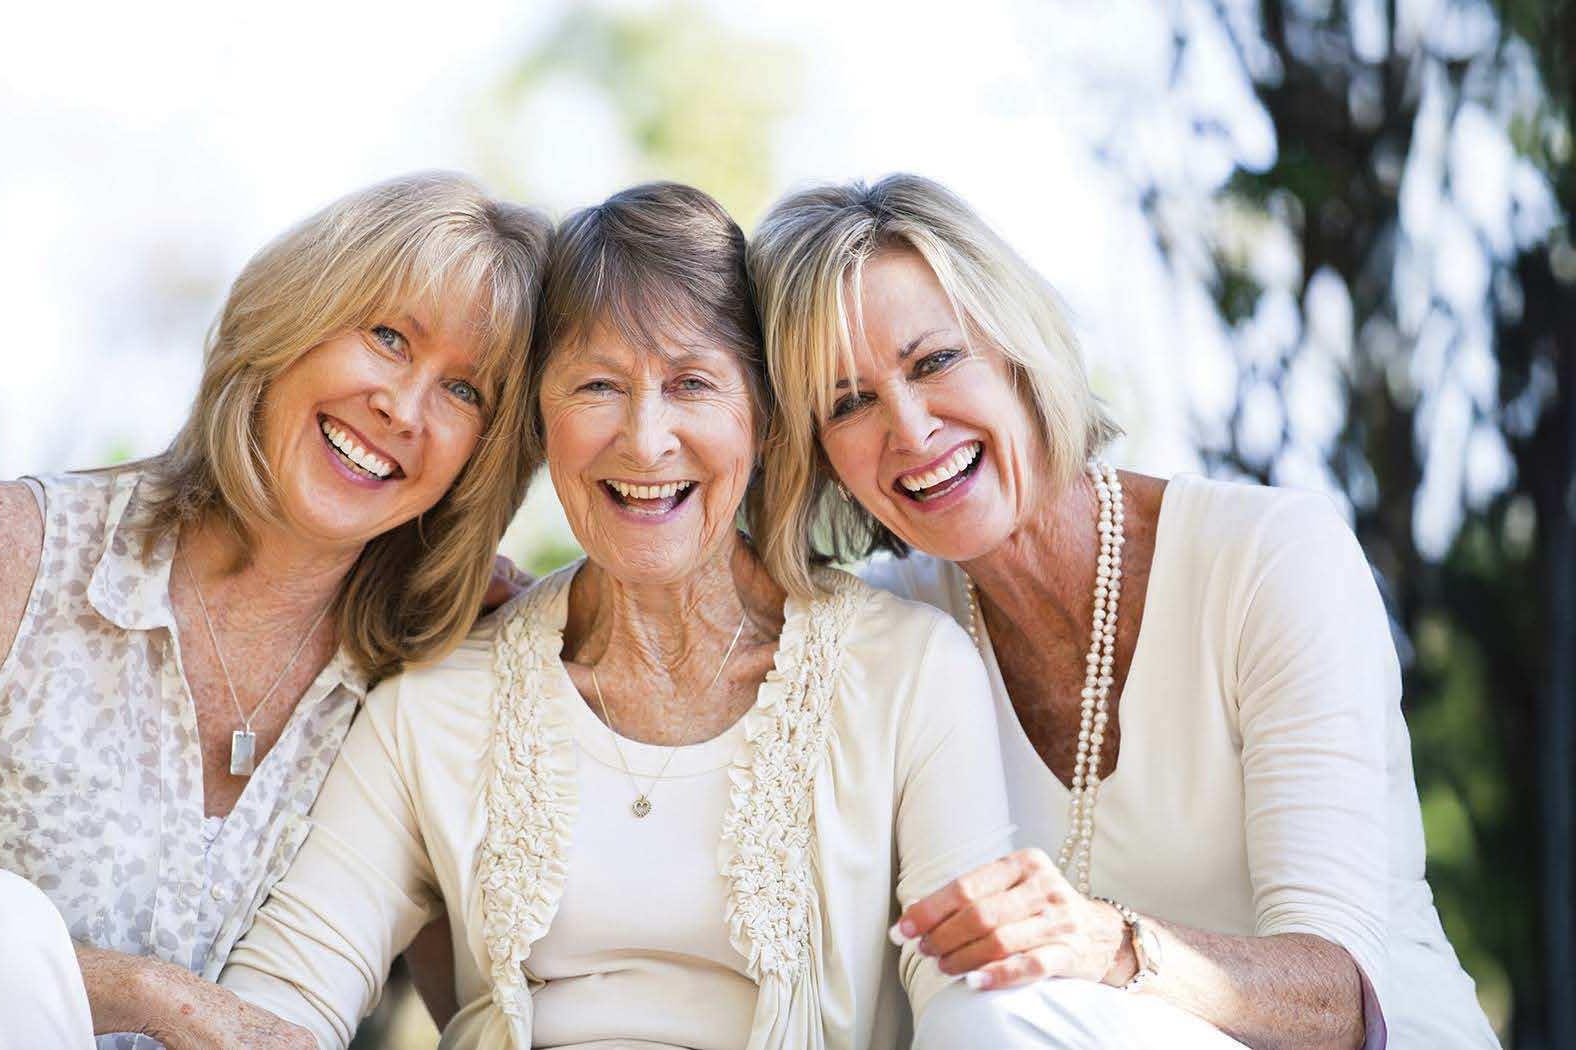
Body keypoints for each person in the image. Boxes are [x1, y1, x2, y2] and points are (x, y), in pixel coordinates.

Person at [217, 181, 1148, 1049]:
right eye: (597, 386)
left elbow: (972, 999)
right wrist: (139, 988)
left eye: (693, 383)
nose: (646, 438)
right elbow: (287, 993)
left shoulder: (906, 670)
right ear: (539, 423)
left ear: (764, 419)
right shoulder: (434, 703)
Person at [0, 171, 550, 1050]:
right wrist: (151, 997)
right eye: (388, 338)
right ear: (293, 318)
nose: (403, 408)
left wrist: (555, 655)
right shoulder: (12, 548)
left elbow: (494, 1005)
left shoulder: (415, 683)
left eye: (465, 391)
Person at [747, 172, 1498, 1048]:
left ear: (1019, 352)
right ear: (822, 458)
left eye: (935, 361)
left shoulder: (1270, 558)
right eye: (849, 403)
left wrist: (1110, 944)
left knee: (989, 1017)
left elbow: (1338, 1005)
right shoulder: (888, 636)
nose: (909, 430)